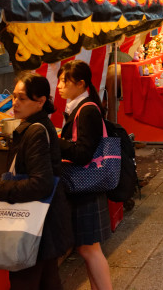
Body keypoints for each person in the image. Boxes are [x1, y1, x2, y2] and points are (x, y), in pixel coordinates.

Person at [0, 74, 73, 290]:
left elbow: (41, 184)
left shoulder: (35, 132)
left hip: (35, 227)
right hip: (46, 225)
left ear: (40, 101)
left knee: (27, 282)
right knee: (48, 282)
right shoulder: (36, 126)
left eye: (22, 98)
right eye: (14, 97)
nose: (15, 103)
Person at [55, 61, 113, 290]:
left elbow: (83, 154)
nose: (59, 85)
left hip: (86, 186)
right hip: (85, 186)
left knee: (90, 248)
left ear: (80, 84)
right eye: (59, 79)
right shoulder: (79, 107)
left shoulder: (87, 110)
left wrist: (56, 141)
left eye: (64, 81)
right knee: (87, 248)